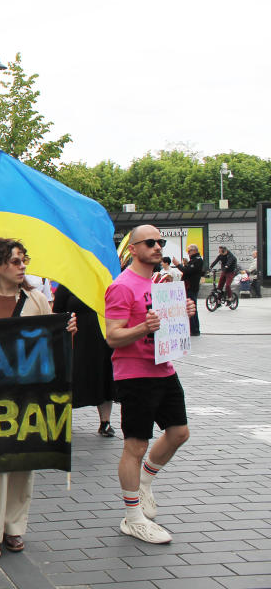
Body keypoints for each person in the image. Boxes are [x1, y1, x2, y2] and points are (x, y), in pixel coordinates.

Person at [0, 237, 77, 559]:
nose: (23, 266)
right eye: (15, 261)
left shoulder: (37, 300)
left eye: (25, 260)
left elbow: (53, 349)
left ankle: (15, 527)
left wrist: (66, 333)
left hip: (30, 397)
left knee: (25, 461)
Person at [105, 224, 196, 545]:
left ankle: (144, 481)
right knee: (135, 446)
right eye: (150, 242)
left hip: (164, 369)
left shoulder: (161, 283)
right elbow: (112, 336)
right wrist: (143, 325)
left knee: (179, 433)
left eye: (160, 241)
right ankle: (132, 518)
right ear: (133, 248)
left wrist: (183, 314)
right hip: (135, 375)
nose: (158, 246)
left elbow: (168, 327)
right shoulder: (122, 286)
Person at [53, 284, 115, 436]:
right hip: (76, 339)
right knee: (72, 376)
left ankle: (105, 422)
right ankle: (64, 420)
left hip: (102, 338)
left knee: (103, 375)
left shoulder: (103, 281)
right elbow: (57, 312)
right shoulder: (67, 284)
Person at [177, 244, 204, 336]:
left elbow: (187, 271)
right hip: (189, 287)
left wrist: (178, 264)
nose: (188, 253)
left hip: (191, 287)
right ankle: (193, 328)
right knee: (190, 307)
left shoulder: (198, 260)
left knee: (192, 308)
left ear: (194, 251)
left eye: (189, 251)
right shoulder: (194, 260)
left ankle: (195, 329)